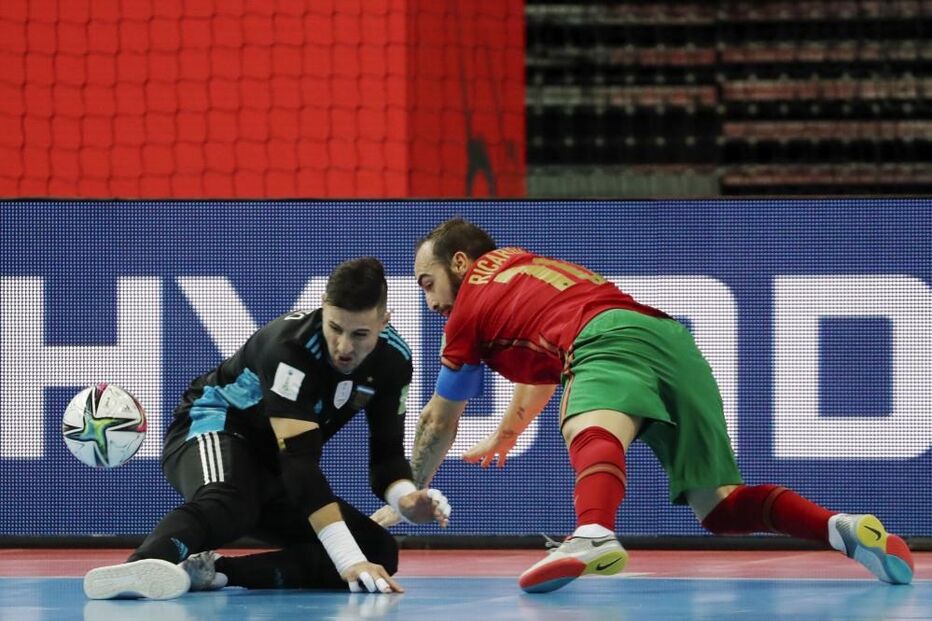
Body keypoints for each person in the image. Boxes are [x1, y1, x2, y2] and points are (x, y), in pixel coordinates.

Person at [388, 217, 914, 593]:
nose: (430, 302)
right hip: (671, 342)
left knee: (590, 427)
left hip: (605, 340)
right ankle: (840, 529)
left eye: (428, 283)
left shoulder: (467, 309)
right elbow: (540, 368)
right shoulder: (525, 270)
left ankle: (593, 533)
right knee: (720, 507)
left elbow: (438, 419)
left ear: (460, 262)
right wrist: (508, 431)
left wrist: (405, 495)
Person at [84, 257, 450, 600]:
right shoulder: (289, 348)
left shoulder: (393, 361)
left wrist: (404, 500)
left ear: (384, 321)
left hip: (273, 464)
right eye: (335, 328)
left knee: (378, 550)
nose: (343, 347)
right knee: (231, 502)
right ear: (323, 306)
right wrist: (346, 560)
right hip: (214, 425)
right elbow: (301, 466)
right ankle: (142, 567)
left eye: (360, 334)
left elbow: (386, 455)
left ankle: (212, 572)